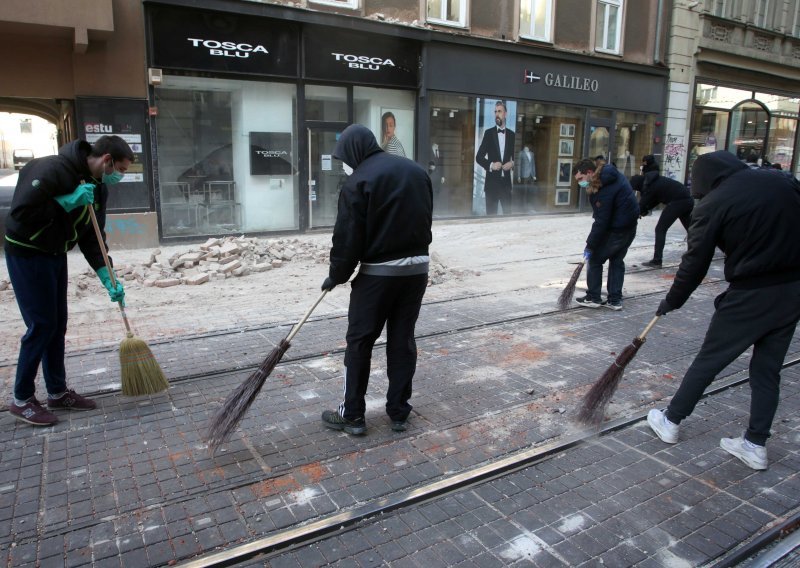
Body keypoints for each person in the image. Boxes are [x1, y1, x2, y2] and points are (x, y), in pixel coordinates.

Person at [647, 150, 800, 470]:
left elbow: (693, 266)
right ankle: (755, 444)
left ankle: (671, 422)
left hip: (750, 296)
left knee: (709, 360)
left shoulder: (714, 204)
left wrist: (672, 301)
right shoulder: (782, 180)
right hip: (792, 291)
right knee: (767, 370)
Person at [4, 135, 134, 426]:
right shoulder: (51, 169)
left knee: (57, 324)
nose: (120, 177)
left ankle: (57, 391)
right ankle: (21, 399)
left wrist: (107, 274)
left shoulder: (98, 188)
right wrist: (64, 202)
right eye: (121, 170)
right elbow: (21, 213)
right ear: (107, 160)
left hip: (54, 253)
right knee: (42, 324)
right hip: (27, 252)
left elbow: (93, 238)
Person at [321, 124, 433, 435]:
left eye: (343, 157)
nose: (344, 165)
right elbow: (425, 219)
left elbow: (348, 238)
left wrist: (336, 275)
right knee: (402, 340)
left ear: (354, 151)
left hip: (379, 276)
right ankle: (399, 411)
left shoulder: (358, 181)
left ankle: (353, 415)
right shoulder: (416, 172)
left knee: (360, 342)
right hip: (417, 271)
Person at [572, 158, 639, 310]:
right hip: (629, 226)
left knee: (595, 259)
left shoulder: (604, 187)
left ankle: (594, 297)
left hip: (618, 229)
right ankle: (614, 300)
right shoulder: (608, 176)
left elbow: (602, 221)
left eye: (580, 179)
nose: (580, 183)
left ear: (589, 172)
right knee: (616, 260)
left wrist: (590, 245)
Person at [630, 166, 694, 268]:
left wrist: (636, 213)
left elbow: (642, 205)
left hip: (678, 202)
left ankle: (657, 260)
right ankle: (698, 253)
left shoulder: (650, 186)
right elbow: (656, 199)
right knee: (692, 230)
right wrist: (645, 210)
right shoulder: (654, 181)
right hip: (687, 200)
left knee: (660, 229)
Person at [476, 100, 515, 215]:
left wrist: (512, 164)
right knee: (490, 220)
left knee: (508, 218)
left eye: (499, 111)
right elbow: (478, 157)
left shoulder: (512, 135)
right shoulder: (488, 134)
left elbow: (517, 158)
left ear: (505, 114)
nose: (497, 114)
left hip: (506, 186)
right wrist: (491, 165)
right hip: (491, 185)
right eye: (495, 112)